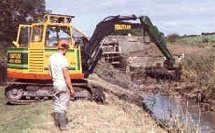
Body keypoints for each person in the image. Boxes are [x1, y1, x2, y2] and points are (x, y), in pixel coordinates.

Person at [48, 40, 75, 130]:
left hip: (55, 84)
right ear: (64, 48)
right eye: (67, 49)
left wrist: (55, 78)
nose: (67, 51)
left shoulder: (51, 58)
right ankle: (63, 127)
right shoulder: (63, 59)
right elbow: (66, 76)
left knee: (57, 104)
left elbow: (50, 72)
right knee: (63, 106)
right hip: (63, 84)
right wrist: (71, 88)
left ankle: (57, 123)